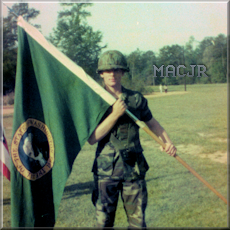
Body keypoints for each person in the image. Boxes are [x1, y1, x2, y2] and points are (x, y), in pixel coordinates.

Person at [88, 50, 177, 229]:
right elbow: (92, 138)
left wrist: (167, 142)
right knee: (103, 223)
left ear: (122, 72)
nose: (112, 74)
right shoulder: (95, 100)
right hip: (106, 172)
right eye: (107, 70)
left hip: (133, 170)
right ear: (101, 74)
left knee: (138, 223)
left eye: (116, 70)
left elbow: (153, 124)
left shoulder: (135, 99)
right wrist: (115, 115)